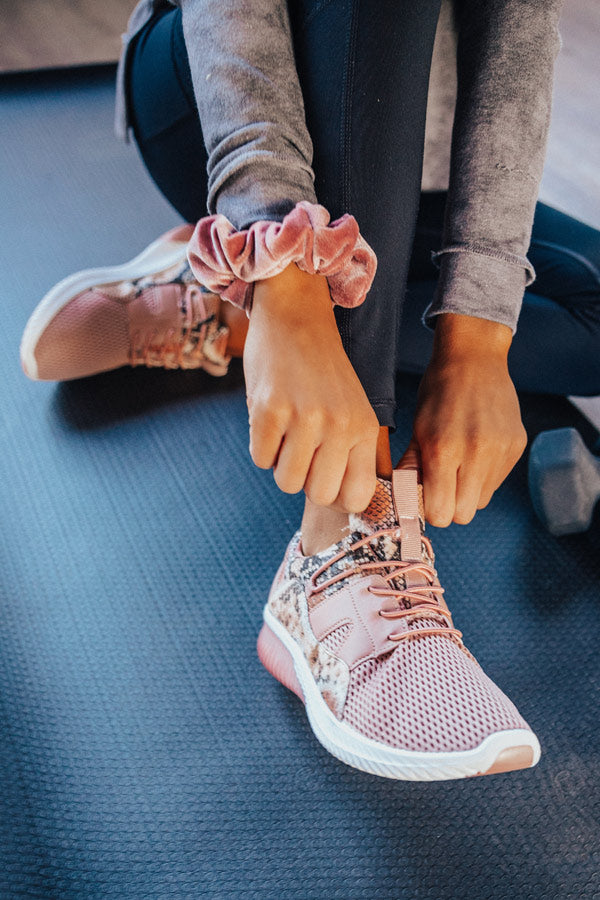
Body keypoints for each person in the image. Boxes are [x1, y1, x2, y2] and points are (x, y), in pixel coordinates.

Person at [22, 0, 593, 781]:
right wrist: (282, 270)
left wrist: (478, 335)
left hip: (410, 162)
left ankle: (224, 307)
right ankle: (339, 536)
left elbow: (519, 23)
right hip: (217, 93)